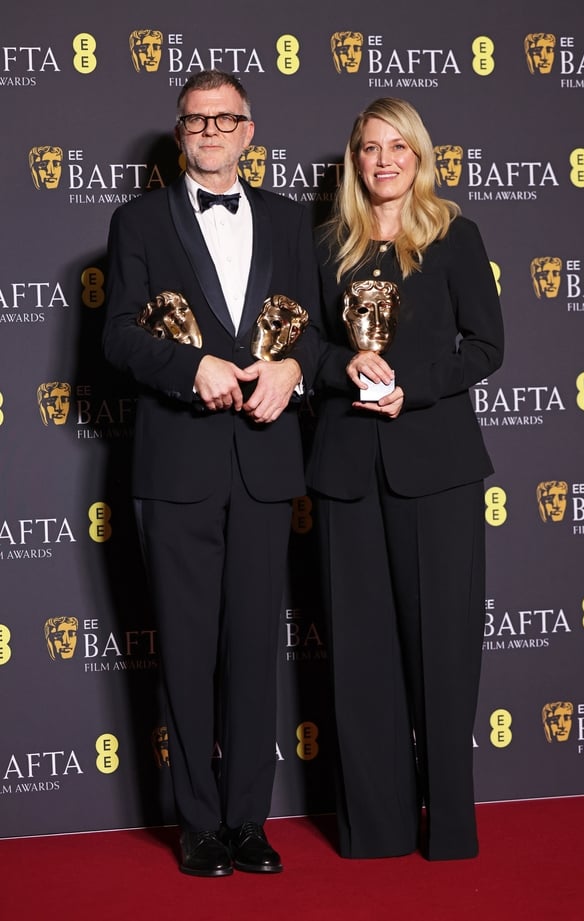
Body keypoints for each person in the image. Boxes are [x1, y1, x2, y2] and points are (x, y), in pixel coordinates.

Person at [103, 69, 321, 877]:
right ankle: (197, 822)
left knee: (255, 650)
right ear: (179, 133)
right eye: (197, 120)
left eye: (226, 119)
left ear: (249, 131)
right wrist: (189, 365)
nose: (211, 132)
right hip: (178, 466)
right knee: (187, 654)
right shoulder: (138, 222)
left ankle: (247, 822)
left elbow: (320, 337)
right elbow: (119, 338)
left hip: (264, 466)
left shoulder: (292, 222)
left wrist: (292, 371)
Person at [307, 97, 504, 861]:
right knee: (359, 655)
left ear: (420, 155)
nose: (382, 160)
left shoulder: (456, 237)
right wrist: (343, 364)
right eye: (367, 147)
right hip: (347, 467)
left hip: (438, 469)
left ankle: (450, 827)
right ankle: (375, 830)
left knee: (444, 649)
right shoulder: (326, 244)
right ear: (354, 160)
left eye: (397, 146)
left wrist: (409, 388)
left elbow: (487, 347)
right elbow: (308, 348)